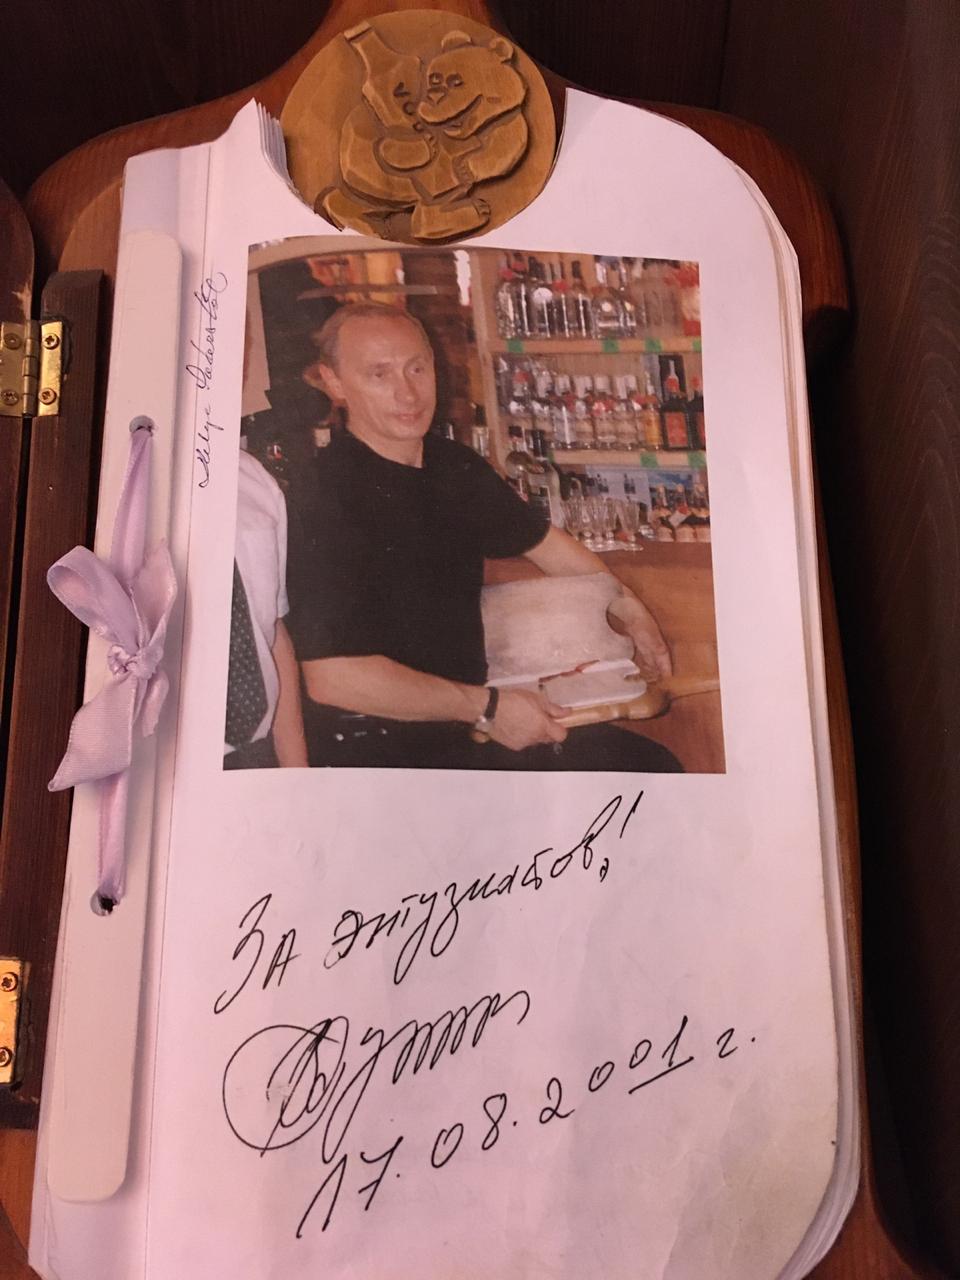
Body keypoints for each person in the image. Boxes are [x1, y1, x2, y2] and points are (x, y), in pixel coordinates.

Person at [285, 301, 680, 772]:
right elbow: (333, 678)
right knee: (641, 772)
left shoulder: (453, 468)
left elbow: (549, 547)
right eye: (379, 374)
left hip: (462, 724)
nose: (407, 393)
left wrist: (629, 609)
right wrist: (488, 708)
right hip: (377, 751)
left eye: (416, 368)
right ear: (334, 384)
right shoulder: (322, 496)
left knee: (646, 765)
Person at [224, 449, 308, 769]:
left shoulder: (253, 476)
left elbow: (274, 633)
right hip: (169, 755)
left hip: (258, 753)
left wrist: (296, 773)